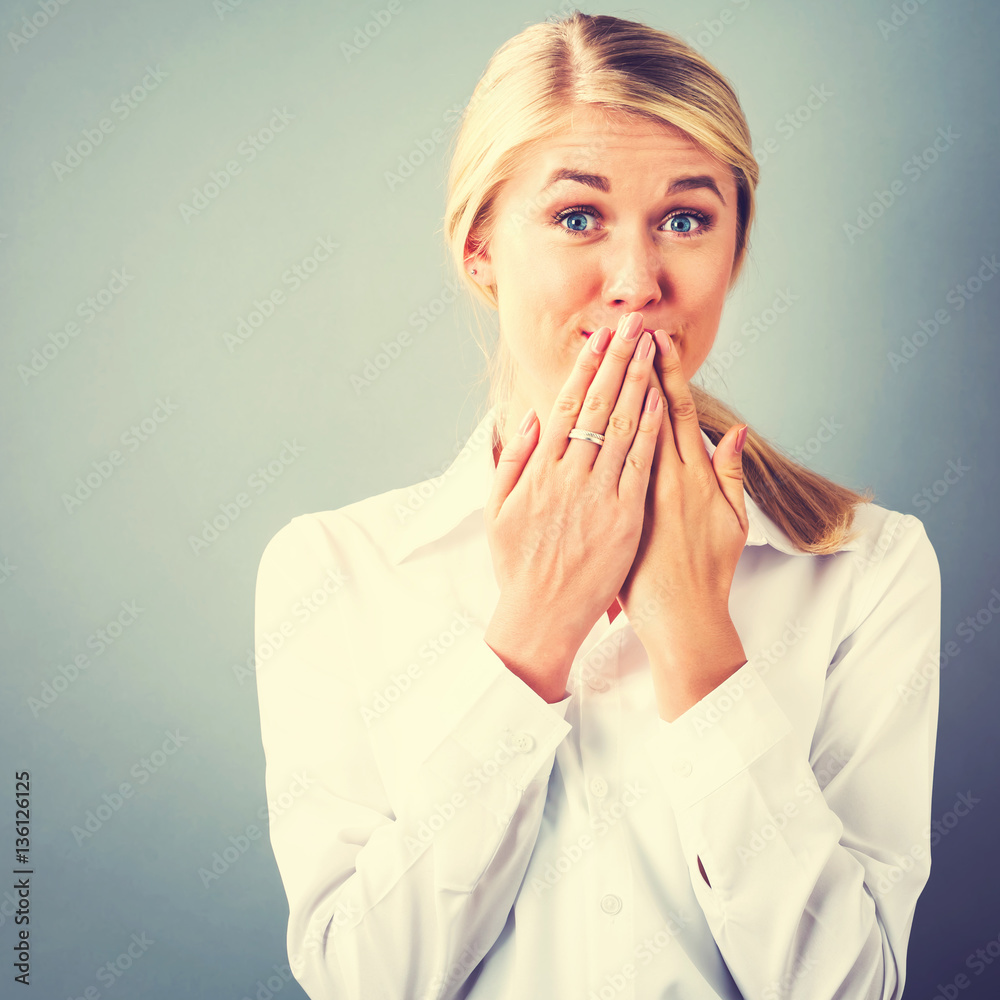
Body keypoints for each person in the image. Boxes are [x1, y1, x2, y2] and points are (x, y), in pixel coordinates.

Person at [254, 12, 941, 999]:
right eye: (577, 218)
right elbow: (365, 982)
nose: (636, 282)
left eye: (686, 219)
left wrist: (695, 632)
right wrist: (535, 630)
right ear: (479, 245)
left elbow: (847, 987)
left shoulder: (868, 567)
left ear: (735, 243)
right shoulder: (330, 570)